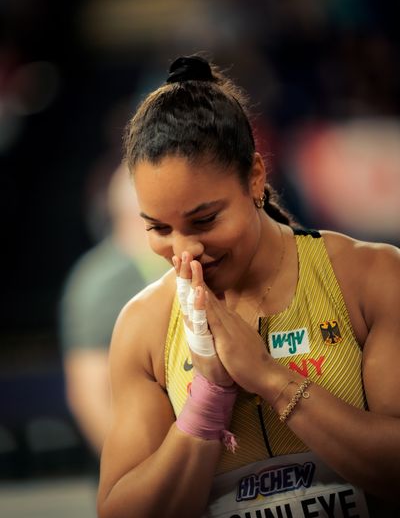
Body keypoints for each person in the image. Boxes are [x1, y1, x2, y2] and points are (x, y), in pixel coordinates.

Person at [97, 55, 400, 518]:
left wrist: (272, 380)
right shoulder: (143, 327)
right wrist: (208, 401)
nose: (185, 251)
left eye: (204, 220)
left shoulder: (371, 277)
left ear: (255, 178)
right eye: (158, 228)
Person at [59, 161, 166, 455]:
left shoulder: (165, 261)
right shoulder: (102, 280)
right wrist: (133, 471)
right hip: (141, 464)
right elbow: (88, 393)